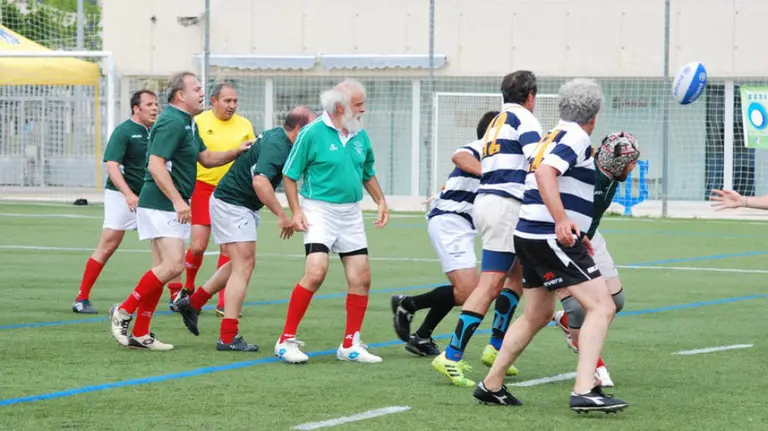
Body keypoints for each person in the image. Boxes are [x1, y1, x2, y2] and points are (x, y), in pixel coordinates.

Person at [472, 78, 628, 413]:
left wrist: (578, 228)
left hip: (529, 233)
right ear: (595, 115)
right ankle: (585, 389)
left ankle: (491, 384)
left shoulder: (553, 134)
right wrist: (561, 221)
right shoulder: (575, 136)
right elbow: (545, 174)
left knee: (536, 315)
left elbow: (555, 179)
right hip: (548, 235)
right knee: (603, 307)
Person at [108, 72, 252, 351]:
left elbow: (206, 159)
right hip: (161, 204)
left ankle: (141, 333)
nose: (202, 93)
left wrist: (237, 151)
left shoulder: (188, 122)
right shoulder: (172, 121)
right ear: (180, 95)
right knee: (173, 266)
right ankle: (124, 311)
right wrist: (178, 201)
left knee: (162, 270)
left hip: (164, 204)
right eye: (197, 88)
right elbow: (155, 164)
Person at [431, 71, 543, 387]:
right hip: (506, 205)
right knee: (491, 283)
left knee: (516, 275)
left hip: (490, 203)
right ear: (531, 95)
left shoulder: (497, 121)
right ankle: (451, 355)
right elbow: (537, 161)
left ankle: (495, 347)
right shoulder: (526, 120)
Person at [174, 106, 317, 351]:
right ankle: (228, 337)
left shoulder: (281, 138)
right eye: (313, 128)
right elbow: (260, 181)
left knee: (239, 263)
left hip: (236, 203)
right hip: (233, 204)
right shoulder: (279, 145)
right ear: (299, 129)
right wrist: (282, 216)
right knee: (244, 266)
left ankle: (193, 303)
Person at [273, 79, 389, 364]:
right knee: (316, 272)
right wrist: (297, 211)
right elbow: (290, 174)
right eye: (358, 104)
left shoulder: (360, 135)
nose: (364, 109)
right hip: (319, 210)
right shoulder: (312, 133)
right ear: (341, 107)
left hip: (351, 213)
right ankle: (285, 340)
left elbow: (367, 172)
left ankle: (350, 344)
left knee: (361, 278)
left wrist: (380, 200)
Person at [390, 110, 498, 357]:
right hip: (451, 223)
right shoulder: (483, 147)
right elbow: (459, 157)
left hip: (463, 226)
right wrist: (491, 175)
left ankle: (422, 336)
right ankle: (408, 304)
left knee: (464, 289)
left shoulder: (502, 156)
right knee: (468, 292)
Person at [552, 132, 640, 388]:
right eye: (632, 162)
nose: (633, 167)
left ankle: (568, 324)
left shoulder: (613, 174)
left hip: (588, 236)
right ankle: (593, 367)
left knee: (616, 301)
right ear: (617, 162)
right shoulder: (587, 173)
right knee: (580, 309)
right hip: (561, 238)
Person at [168, 82, 256, 316]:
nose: (232, 105)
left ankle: (223, 301)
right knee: (197, 246)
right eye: (227, 101)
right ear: (214, 101)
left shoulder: (245, 125)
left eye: (235, 101)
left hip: (231, 193)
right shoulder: (199, 122)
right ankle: (187, 288)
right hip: (203, 188)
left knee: (228, 248)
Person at [72, 90, 158, 314]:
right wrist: (129, 194)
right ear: (136, 108)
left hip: (149, 196)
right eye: (149, 104)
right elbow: (112, 166)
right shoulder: (124, 131)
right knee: (109, 244)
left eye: (156, 104)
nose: (155, 108)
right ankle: (81, 298)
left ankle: (176, 297)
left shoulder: (157, 131)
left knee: (165, 244)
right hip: (121, 196)